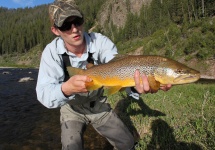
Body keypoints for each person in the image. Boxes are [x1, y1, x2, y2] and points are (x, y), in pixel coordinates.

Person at [36, 0, 171, 150]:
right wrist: (66, 89)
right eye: (66, 26)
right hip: (71, 110)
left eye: (77, 22)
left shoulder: (99, 42)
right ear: (56, 30)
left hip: (98, 105)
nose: (74, 29)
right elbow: (44, 94)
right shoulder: (51, 53)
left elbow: (119, 67)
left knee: (127, 143)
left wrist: (135, 87)